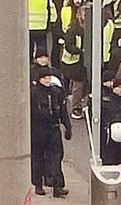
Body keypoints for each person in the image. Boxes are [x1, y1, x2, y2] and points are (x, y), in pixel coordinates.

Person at [31, 66, 71, 197]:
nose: (47, 80)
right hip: (38, 129)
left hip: (53, 128)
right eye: (45, 78)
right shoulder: (34, 93)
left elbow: (63, 110)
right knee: (38, 157)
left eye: (49, 78)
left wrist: (67, 126)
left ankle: (57, 185)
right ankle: (38, 184)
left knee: (56, 157)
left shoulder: (56, 92)